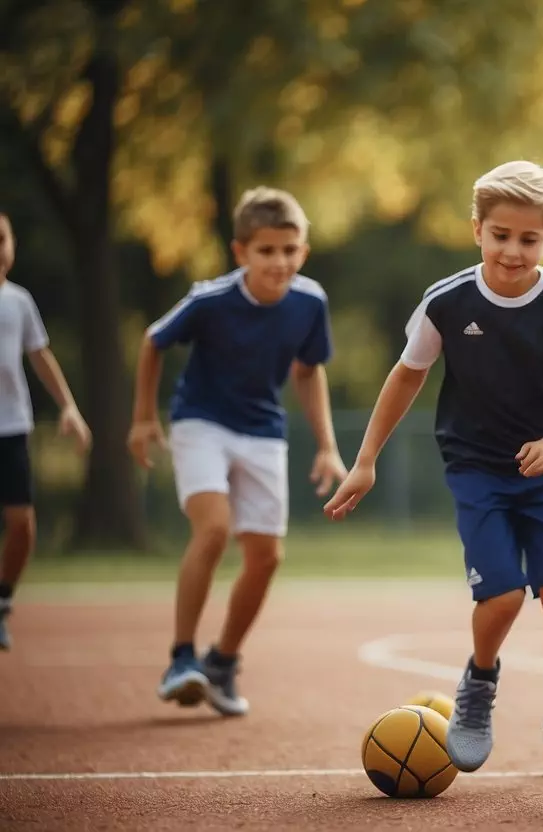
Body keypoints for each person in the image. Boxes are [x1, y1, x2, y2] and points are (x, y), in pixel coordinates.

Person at [323, 161, 543, 777]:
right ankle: (479, 684)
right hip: (476, 468)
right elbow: (407, 374)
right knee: (503, 595)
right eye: (500, 234)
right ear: (477, 229)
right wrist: (364, 460)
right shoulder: (447, 301)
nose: (512, 250)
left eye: (529, 239)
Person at [128, 187, 346, 717]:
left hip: (262, 430)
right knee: (214, 528)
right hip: (200, 422)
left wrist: (327, 446)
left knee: (267, 556)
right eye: (266, 250)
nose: (279, 261)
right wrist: (141, 419)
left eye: (289, 250)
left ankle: (222, 661)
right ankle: (181, 659)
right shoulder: (210, 300)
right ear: (240, 252)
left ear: (304, 251)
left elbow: (308, 369)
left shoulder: (309, 302)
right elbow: (153, 341)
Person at [0, 211, 92, 651]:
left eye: (2, 239)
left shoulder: (18, 301)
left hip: (11, 427)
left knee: (22, 525)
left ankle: (1, 601)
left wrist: (69, 407)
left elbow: (40, 357)